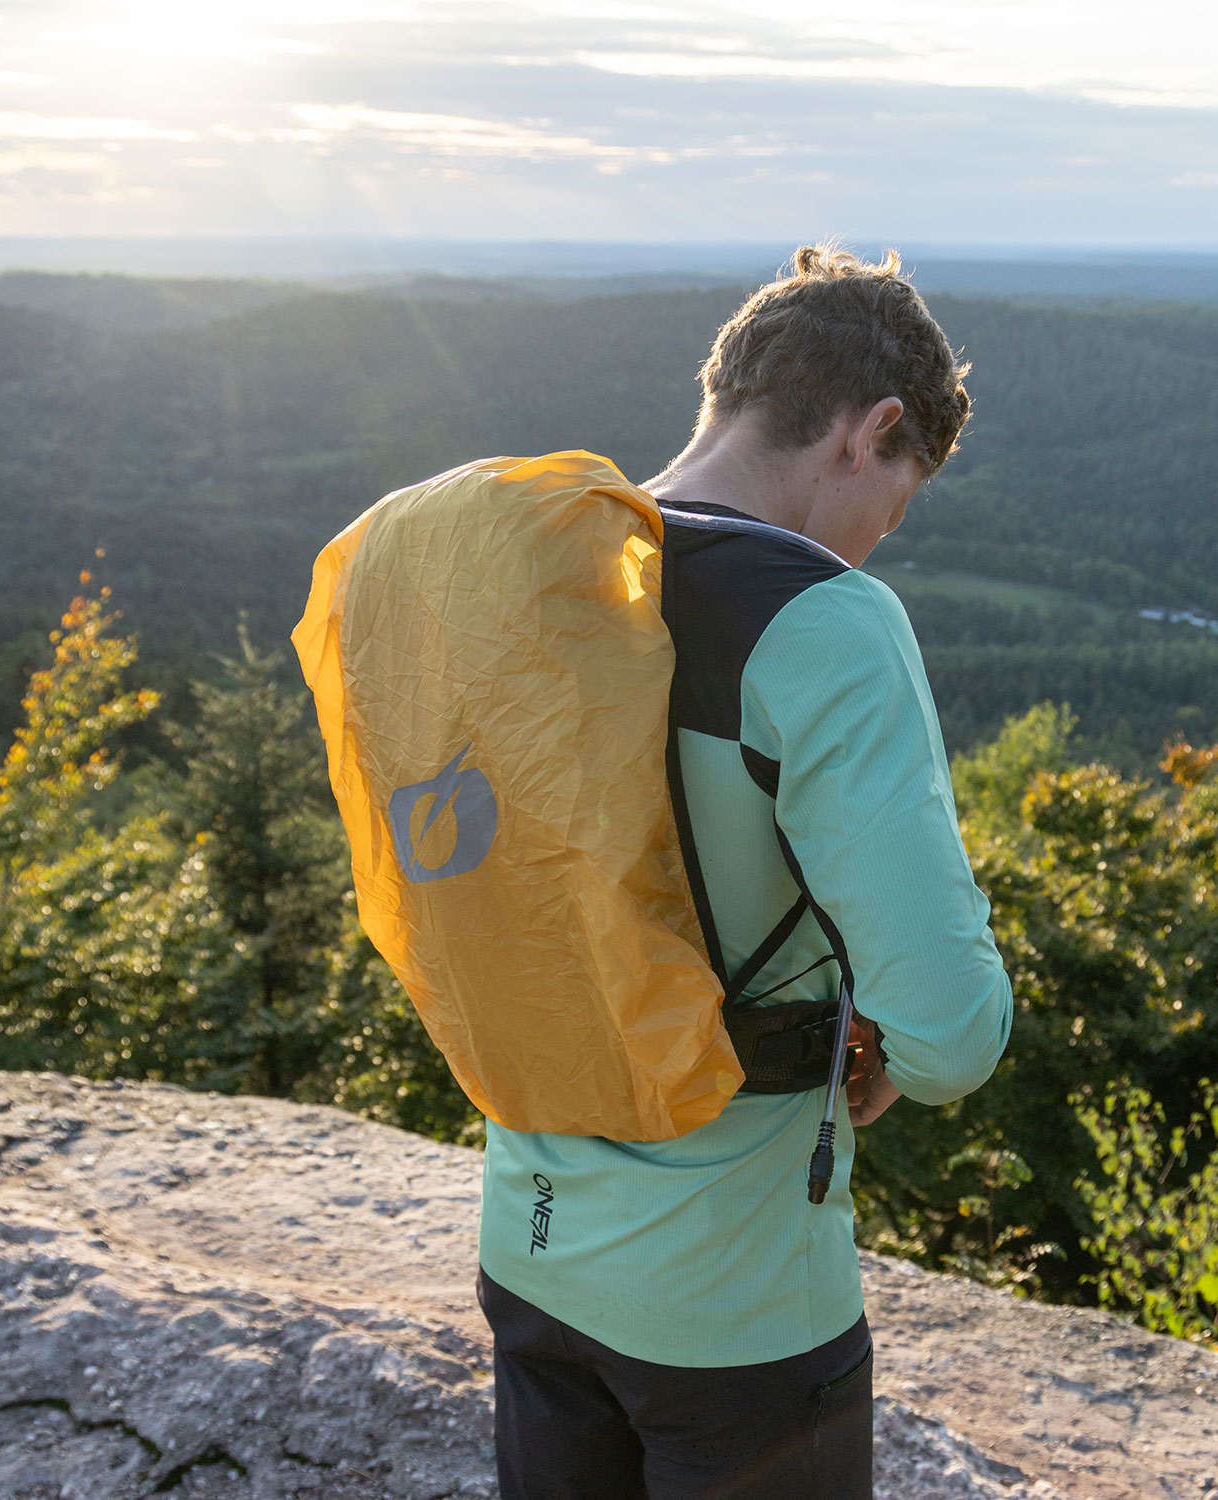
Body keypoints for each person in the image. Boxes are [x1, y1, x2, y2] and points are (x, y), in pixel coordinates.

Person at [474, 245, 1014, 1499]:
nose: (877, 543)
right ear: (870, 432)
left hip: (530, 1246)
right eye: (898, 500)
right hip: (731, 1300)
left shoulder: (538, 570)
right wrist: (896, 1053)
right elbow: (950, 1031)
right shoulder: (822, 620)